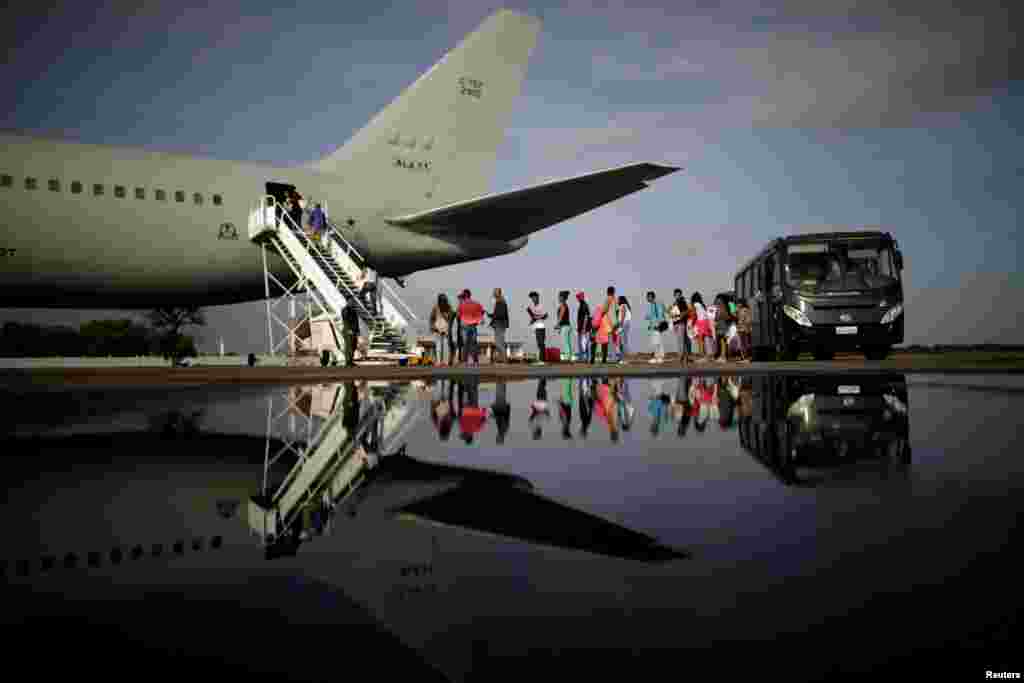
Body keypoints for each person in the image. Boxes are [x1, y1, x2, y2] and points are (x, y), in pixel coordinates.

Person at [457, 289, 484, 366]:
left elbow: (458, 315)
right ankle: (475, 361)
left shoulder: (461, 304)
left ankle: (465, 362)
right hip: (473, 325)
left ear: (464, 296)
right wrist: (479, 318)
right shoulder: (476, 303)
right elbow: (481, 311)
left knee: (465, 344)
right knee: (473, 343)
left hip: (465, 326)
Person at [429, 294, 453, 365]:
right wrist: (433, 327)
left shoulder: (448, 307)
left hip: (444, 326)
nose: (442, 302)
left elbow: (450, 318)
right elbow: (432, 318)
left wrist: (447, 328)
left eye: (443, 300)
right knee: (439, 345)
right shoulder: (436, 307)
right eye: (441, 300)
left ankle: (444, 361)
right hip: (439, 326)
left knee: (444, 345)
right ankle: (439, 361)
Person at [487, 288, 510, 363]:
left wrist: (493, 316)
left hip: (500, 324)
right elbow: (498, 314)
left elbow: (501, 314)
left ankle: (504, 359)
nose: (493, 294)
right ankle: (502, 359)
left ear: (498, 293)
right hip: (499, 324)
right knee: (499, 342)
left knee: (499, 342)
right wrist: (491, 315)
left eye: (494, 293)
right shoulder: (499, 301)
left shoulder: (501, 301)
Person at [644, 291, 667, 363]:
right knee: (656, 341)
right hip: (654, 326)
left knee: (657, 342)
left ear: (651, 296)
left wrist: (657, 325)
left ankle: (659, 357)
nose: (647, 298)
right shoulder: (653, 304)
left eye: (648, 297)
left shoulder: (657, 303)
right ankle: (657, 357)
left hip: (657, 326)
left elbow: (659, 315)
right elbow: (653, 316)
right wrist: (650, 325)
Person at [526, 291, 548, 364]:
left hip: (541, 327)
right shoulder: (532, 307)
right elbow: (533, 316)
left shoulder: (541, 306)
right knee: (539, 344)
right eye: (532, 298)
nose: (533, 299)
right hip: (535, 327)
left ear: (537, 297)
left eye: (534, 297)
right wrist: (532, 319)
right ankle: (541, 359)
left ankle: (542, 360)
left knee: (541, 343)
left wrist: (536, 317)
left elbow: (545, 316)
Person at [670, 289, 690, 365]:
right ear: (674, 295)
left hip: (681, 323)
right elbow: (672, 313)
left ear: (681, 295)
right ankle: (684, 357)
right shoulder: (675, 303)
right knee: (681, 340)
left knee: (681, 340)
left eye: (679, 294)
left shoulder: (683, 302)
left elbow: (687, 311)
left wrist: (681, 315)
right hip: (677, 323)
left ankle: (681, 356)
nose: (677, 296)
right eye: (676, 294)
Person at [691, 292, 712, 362]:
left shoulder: (695, 305)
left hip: (700, 322)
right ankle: (707, 356)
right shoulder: (702, 305)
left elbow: (694, 315)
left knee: (700, 340)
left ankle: (702, 356)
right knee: (705, 339)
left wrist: (692, 323)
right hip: (706, 322)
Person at [341, 300, 360, 367]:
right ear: (348, 302)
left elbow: (356, 321)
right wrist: (349, 329)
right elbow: (346, 320)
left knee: (353, 346)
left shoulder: (353, 310)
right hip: (348, 330)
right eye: (351, 302)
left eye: (353, 302)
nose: (353, 303)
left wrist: (357, 331)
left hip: (354, 331)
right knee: (349, 347)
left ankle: (351, 361)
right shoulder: (345, 310)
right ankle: (347, 362)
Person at [556, 291, 573, 361]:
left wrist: (557, 324)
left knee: (565, 343)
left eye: (559, 297)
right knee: (568, 342)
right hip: (567, 326)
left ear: (562, 298)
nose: (558, 298)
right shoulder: (564, 305)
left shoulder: (563, 305)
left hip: (565, 327)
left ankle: (567, 357)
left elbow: (561, 316)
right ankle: (569, 356)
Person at [575, 292, 591, 362]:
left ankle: (584, 358)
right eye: (577, 297)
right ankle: (584, 357)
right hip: (581, 327)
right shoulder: (582, 304)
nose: (578, 299)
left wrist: (584, 328)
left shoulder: (584, 305)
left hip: (583, 328)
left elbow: (586, 317)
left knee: (584, 343)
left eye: (578, 297)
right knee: (583, 343)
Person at [736, 298, 753, 362]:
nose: (737, 304)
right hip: (741, 329)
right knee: (743, 344)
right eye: (737, 303)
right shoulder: (740, 310)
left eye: (739, 303)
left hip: (744, 329)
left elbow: (748, 320)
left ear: (742, 303)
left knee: (745, 344)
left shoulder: (745, 310)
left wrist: (746, 326)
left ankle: (747, 357)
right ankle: (744, 357)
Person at [616, 296, 632, 364]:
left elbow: (622, 315)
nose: (617, 301)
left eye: (618, 300)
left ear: (621, 300)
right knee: (622, 342)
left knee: (622, 342)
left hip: (623, 325)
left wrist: (620, 326)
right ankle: (621, 358)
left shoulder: (623, 305)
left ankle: (623, 359)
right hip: (625, 324)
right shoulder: (626, 306)